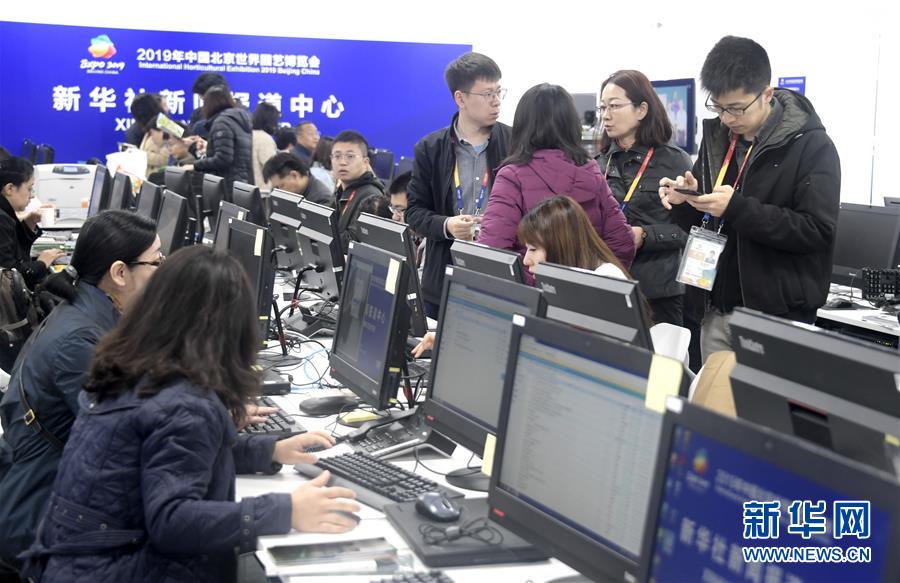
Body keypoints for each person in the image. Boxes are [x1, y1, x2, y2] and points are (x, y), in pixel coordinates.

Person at [21, 246, 359, 582]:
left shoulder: (134, 366)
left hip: (75, 564)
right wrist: (286, 511)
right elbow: (171, 520)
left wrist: (267, 450)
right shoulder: (184, 402)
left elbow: (164, 456)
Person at [659, 36, 840, 362]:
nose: (727, 118)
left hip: (775, 316)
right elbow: (708, 225)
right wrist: (687, 201)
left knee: (763, 410)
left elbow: (816, 230)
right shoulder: (717, 142)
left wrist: (737, 208)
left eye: (737, 108)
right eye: (718, 106)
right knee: (712, 406)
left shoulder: (812, 147)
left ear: (766, 95)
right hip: (715, 309)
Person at [0, 211, 160, 577]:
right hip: (41, 515)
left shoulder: (90, 313)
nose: (164, 270)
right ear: (120, 273)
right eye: (157, 261)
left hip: (56, 494)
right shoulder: (82, 342)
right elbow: (135, 442)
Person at [412, 194, 627, 358]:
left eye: (533, 250)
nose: (525, 261)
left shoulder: (606, 280)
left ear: (560, 246)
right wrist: (449, 334)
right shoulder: (559, 287)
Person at [478, 83, 635, 274]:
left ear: (522, 126)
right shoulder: (591, 169)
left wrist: (545, 286)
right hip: (586, 299)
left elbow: (493, 254)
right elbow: (622, 243)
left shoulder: (512, 176)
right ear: (571, 123)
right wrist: (591, 286)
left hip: (533, 297)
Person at [405, 52, 512, 318]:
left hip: (502, 279)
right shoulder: (430, 148)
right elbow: (415, 212)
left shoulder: (515, 142)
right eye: (487, 94)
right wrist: (447, 225)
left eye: (499, 92)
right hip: (443, 277)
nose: (496, 101)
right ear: (460, 98)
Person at [595, 70, 693, 326]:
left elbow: (691, 230)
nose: (606, 115)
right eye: (603, 107)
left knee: (661, 366)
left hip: (658, 291)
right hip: (608, 283)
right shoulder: (599, 162)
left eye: (614, 106)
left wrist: (646, 235)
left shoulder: (674, 161)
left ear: (641, 110)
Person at [0, 157, 63, 291]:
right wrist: (41, 263)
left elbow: (13, 250)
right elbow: (9, 277)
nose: (32, 196)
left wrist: (30, 222)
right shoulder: (2, 219)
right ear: (10, 188)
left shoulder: (5, 213)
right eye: (29, 189)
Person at [184, 85, 253, 191]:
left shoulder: (222, 122)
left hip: (227, 185)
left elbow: (223, 158)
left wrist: (195, 166)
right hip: (241, 183)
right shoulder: (237, 120)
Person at [331, 130, 386, 250]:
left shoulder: (371, 195)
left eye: (350, 156)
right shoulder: (342, 189)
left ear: (365, 162)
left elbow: (355, 241)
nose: (342, 162)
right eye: (337, 156)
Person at [262, 152, 334, 206]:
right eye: (277, 188)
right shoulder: (295, 193)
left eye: (282, 186)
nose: (279, 192)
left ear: (294, 175)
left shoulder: (322, 200)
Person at [188, 72, 229, 140]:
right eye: (200, 97)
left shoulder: (240, 116)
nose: (202, 99)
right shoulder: (198, 114)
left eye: (203, 97)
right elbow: (189, 137)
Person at [250, 102, 280, 190]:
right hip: (262, 192)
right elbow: (271, 166)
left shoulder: (249, 134)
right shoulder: (265, 139)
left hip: (248, 190)